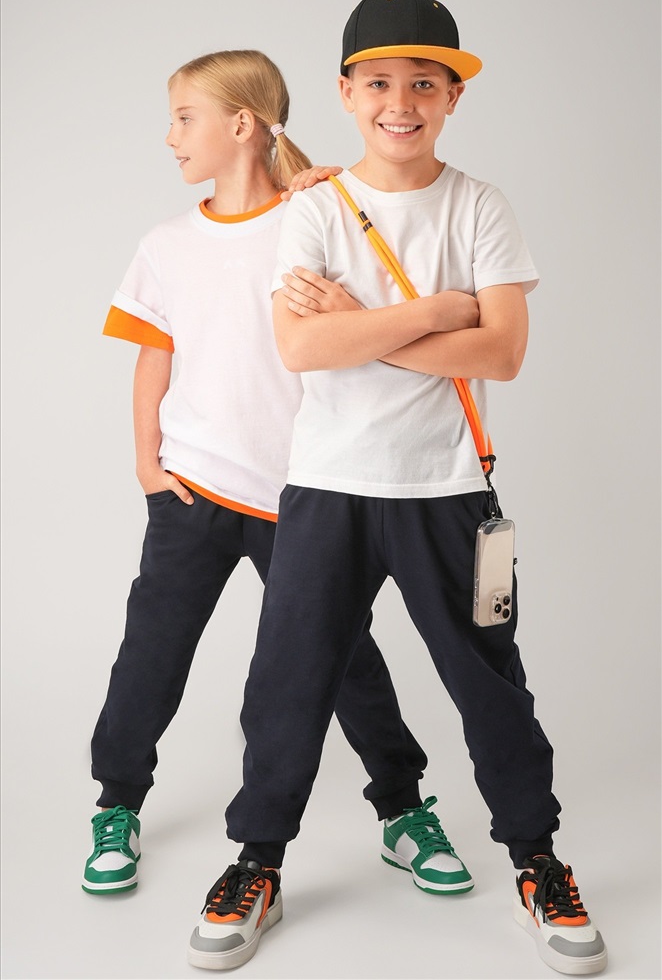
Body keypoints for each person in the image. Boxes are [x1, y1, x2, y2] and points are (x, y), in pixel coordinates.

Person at [188, 0, 608, 977]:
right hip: (326, 488)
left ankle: (536, 860)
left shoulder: (479, 206)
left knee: (488, 684)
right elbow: (301, 347)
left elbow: (501, 354)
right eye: (378, 82)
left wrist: (361, 322)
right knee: (287, 680)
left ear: (453, 97)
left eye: (425, 82)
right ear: (345, 93)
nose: (401, 102)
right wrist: (438, 312)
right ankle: (256, 862)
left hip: (447, 490)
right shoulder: (316, 207)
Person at [83, 48, 472, 903]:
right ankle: (116, 803)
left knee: (347, 662)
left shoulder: (319, 214)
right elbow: (155, 357)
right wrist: (147, 464)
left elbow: (369, 325)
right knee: (152, 652)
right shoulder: (166, 244)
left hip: (303, 494)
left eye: (184, 117)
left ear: (241, 124)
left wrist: (335, 190)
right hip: (192, 490)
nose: (170, 136)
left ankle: (403, 808)